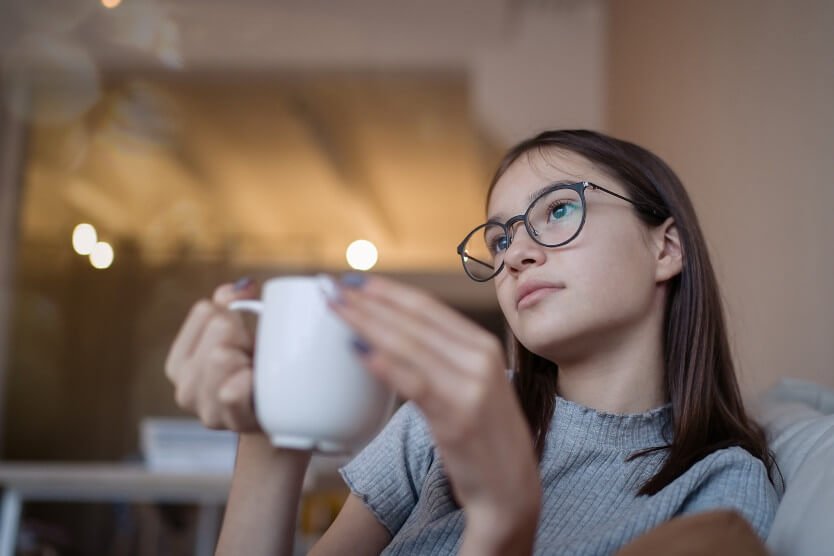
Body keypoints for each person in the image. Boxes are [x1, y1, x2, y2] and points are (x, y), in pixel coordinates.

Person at [165, 130, 780, 555]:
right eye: (500, 239)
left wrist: (504, 522)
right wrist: (270, 437)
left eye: (558, 211)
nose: (516, 254)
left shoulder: (720, 486)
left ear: (665, 248)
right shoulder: (441, 418)